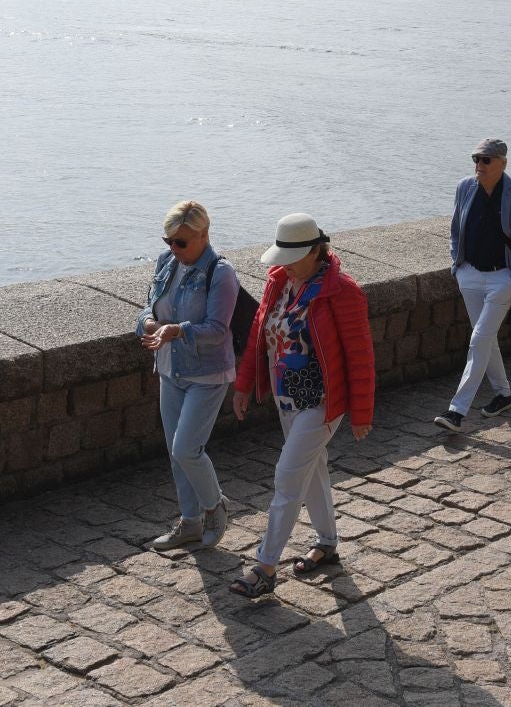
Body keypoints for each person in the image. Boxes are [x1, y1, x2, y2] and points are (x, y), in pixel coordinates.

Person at [228, 214, 374, 598]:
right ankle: (327, 543)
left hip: (323, 403)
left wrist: (361, 413)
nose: (283, 262)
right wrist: (243, 386)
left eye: (292, 255)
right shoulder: (279, 282)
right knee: (313, 472)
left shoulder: (343, 291)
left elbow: (360, 357)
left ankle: (264, 567)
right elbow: (261, 337)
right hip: (285, 398)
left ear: (315, 250)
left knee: (288, 478)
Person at [137, 201, 238, 552]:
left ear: (204, 234)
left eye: (181, 242)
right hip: (170, 369)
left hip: (207, 374)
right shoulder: (167, 262)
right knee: (174, 452)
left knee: (187, 448)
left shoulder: (221, 273)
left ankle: (215, 506)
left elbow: (217, 328)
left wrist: (176, 331)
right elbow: (149, 306)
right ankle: (190, 522)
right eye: (169, 242)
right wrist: (149, 323)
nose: (173, 249)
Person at [434, 138, 511, 432]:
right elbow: (455, 231)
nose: (479, 165)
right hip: (469, 275)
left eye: (486, 160)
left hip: (502, 277)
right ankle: (503, 393)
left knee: (479, 338)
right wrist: (458, 268)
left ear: (503, 163)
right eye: (476, 159)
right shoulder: (465, 187)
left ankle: (457, 411)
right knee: (485, 339)